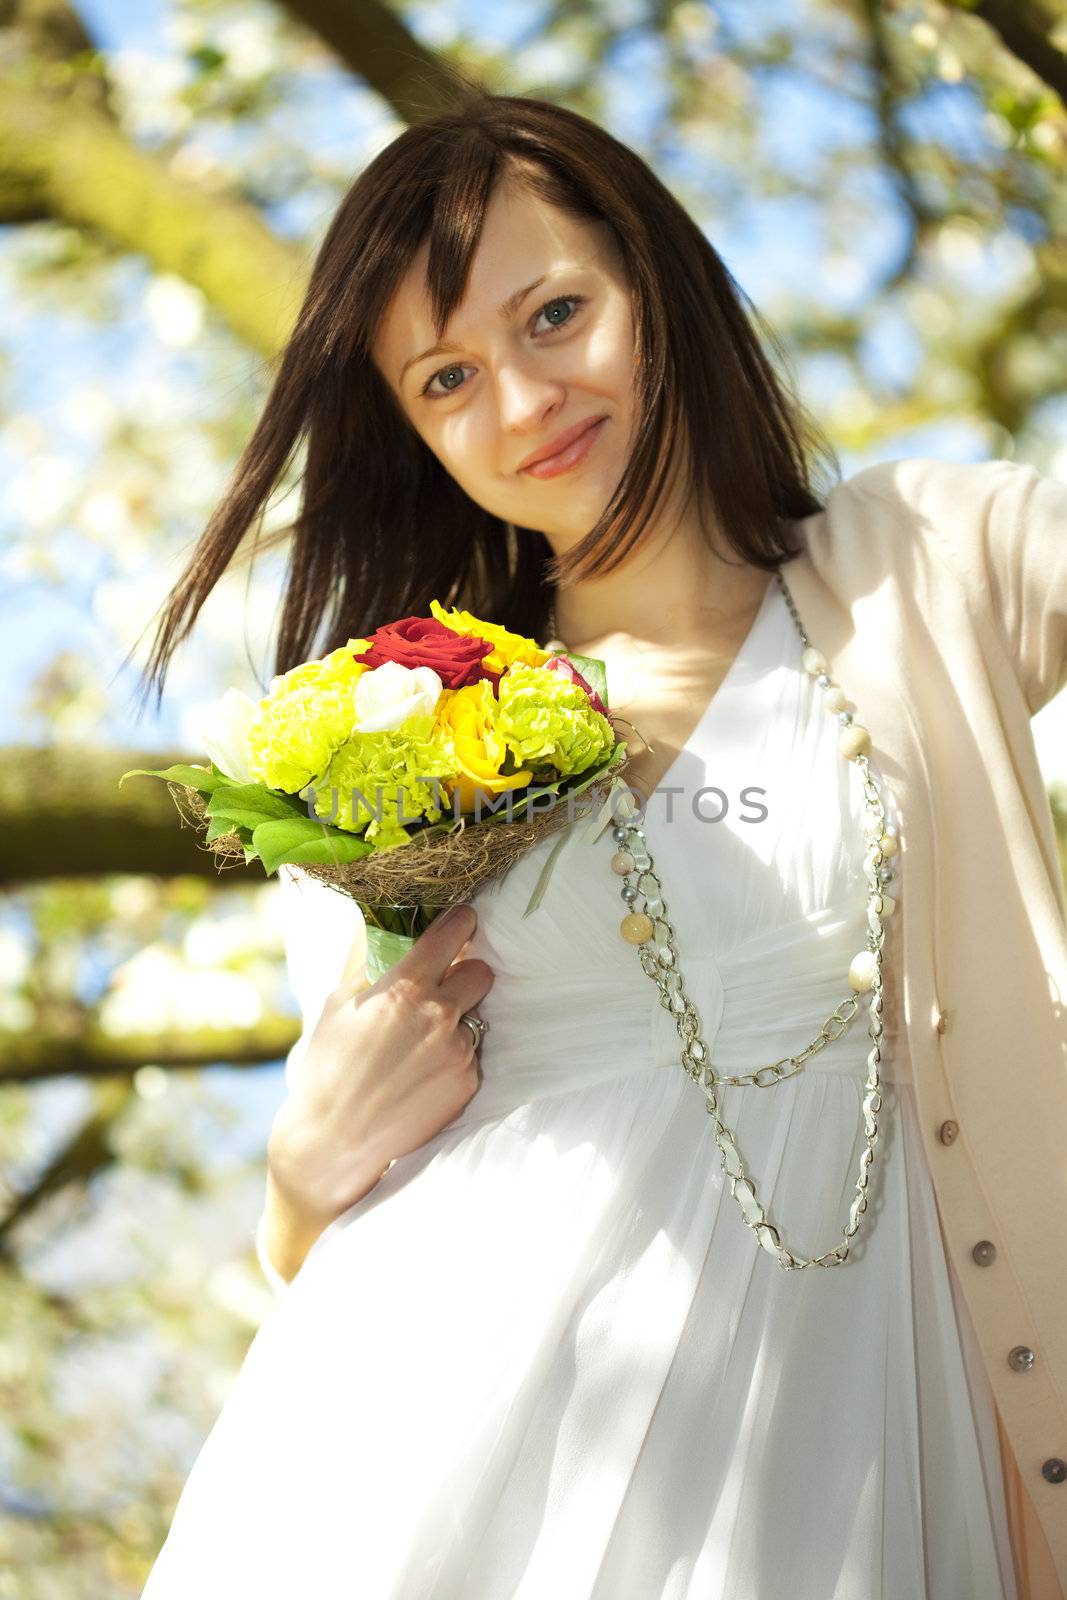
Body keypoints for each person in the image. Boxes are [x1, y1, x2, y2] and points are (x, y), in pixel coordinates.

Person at [134, 85, 1067, 1599]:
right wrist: (296, 1183)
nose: (520, 402)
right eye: (446, 380)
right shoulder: (403, 724)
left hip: (850, 1449)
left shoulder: (929, 562)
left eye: (555, 313)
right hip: (441, 1461)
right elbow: (356, 1141)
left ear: (659, 280)